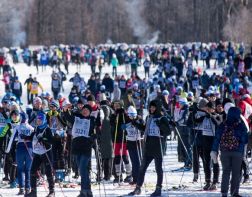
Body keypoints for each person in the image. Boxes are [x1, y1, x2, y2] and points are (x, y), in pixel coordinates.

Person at [129, 100, 171, 196]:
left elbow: (168, 132)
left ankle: (158, 189)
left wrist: (160, 125)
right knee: (142, 168)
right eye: (150, 107)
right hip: (148, 146)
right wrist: (136, 124)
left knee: (158, 169)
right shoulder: (149, 117)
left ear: (157, 108)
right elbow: (145, 129)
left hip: (158, 146)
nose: (151, 109)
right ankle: (138, 188)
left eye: (153, 107)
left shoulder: (162, 118)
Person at [211, 107, 248, 197]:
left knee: (226, 172)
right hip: (237, 152)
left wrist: (214, 150)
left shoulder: (223, 125)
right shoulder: (241, 126)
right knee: (236, 173)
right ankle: (234, 192)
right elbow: (245, 140)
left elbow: (217, 138)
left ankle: (224, 193)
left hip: (224, 152)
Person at [63, 104, 96, 197]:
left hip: (86, 146)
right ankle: (87, 191)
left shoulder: (92, 120)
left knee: (83, 169)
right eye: (84, 110)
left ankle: (85, 191)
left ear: (90, 112)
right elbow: (68, 117)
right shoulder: (76, 118)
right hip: (76, 146)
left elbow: (96, 132)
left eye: (87, 110)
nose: (85, 111)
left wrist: (92, 138)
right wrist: (65, 109)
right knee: (82, 170)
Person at [26, 112, 55, 197]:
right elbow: (31, 137)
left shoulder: (47, 129)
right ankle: (33, 192)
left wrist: (44, 139)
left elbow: (51, 141)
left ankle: (52, 191)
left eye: (40, 120)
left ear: (43, 120)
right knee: (32, 171)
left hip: (46, 153)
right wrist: (25, 137)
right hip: (37, 153)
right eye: (37, 120)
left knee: (48, 171)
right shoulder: (36, 129)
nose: (38, 121)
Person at [15, 112, 34, 195]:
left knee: (20, 169)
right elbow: (35, 139)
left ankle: (22, 188)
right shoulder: (31, 128)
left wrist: (7, 150)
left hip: (20, 148)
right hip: (30, 149)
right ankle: (27, 188)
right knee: (28, 169)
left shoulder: (17, 127)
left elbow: (12, 139)